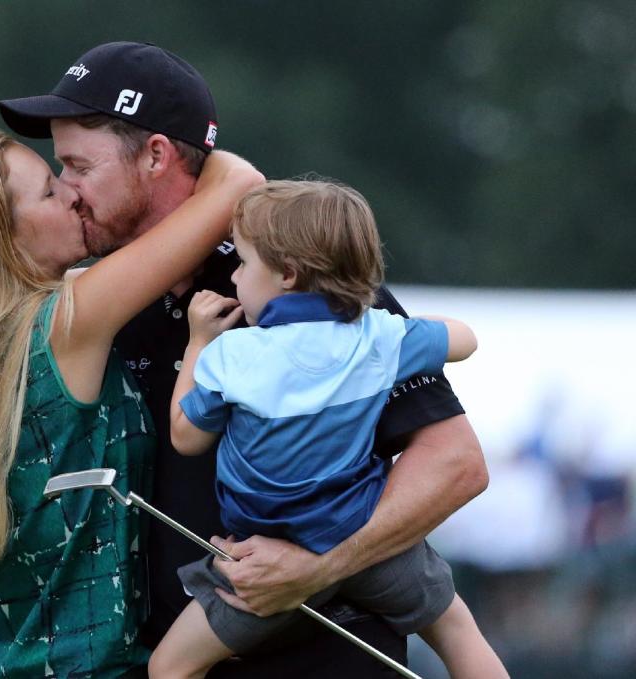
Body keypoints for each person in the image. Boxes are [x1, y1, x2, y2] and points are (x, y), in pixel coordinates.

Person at [0, 41, 490, 676]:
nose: (67, 191)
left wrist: (318, 567)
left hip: (325, 658)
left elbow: (455, 463)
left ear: (154, 155)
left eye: (77, 166)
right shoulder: (100, 303)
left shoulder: (299, 276)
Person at [0, 128, 262, 677]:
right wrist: (175, 149)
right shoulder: (66, 322)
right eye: (48, 191)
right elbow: (240, 182)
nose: (72, 193)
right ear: (2, 234)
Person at [148, 179, 508, 679]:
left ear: (288, 274)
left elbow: (187, 434)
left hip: (265, 564)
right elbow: (465, 341)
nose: (234, 276)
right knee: (456, 630)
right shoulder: (378, 337)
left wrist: (197, 343)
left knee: (170, 666)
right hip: (368, 543)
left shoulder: (234, 354)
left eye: (245, 262)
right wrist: (402, 327)